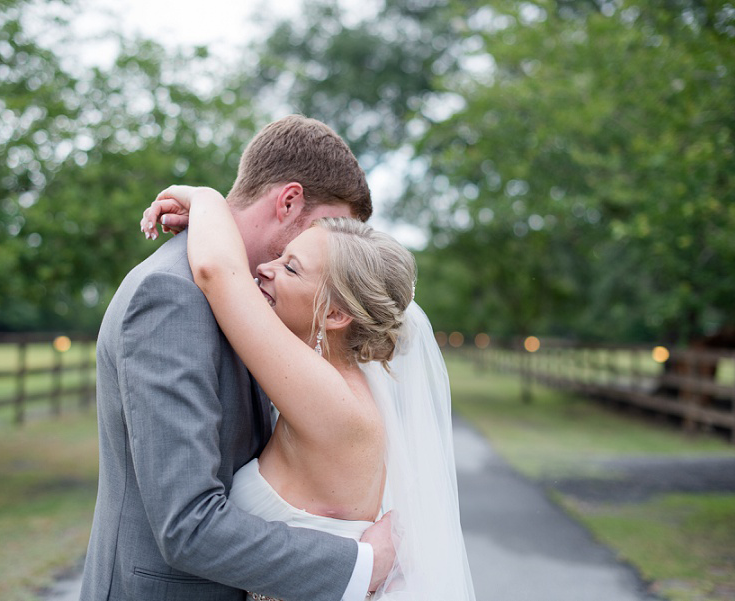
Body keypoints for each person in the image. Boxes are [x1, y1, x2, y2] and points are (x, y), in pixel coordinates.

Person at [79, 115, 396, 601]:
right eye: (328, 226)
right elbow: (186, 523)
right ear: (288, 201)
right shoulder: (173, 294)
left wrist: (206, 200)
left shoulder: (255, 303)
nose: (334, 249)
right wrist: (359, 565)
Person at [141, 186, 476, 600]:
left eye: (291, 268)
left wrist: (206, 197)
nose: (265, 268)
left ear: (335, 314)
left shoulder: (332, 401)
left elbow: (215, 271)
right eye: (281, 256)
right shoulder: (339, 384)